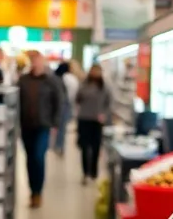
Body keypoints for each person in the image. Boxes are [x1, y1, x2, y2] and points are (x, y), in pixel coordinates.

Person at [17, 51, 64, 208]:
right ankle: (32, 190)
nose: (35, 63)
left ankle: (38, 191)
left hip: (43, 125)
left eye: (37, 60)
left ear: (42, 62)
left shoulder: (52, 81)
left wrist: (55, 123)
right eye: (32, 61)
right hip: (26, 125)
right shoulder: (23, 81)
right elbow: (16, 102)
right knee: (30, 158)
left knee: (38, 156)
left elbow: (59, 102)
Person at [75, 64, 113, 184]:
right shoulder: (84, 84)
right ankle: (86, 173)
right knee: (85, 147)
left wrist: (104, 115)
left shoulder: (104, 86)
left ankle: (94, 172)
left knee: (96, 147)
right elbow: (77, 98)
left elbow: (109, 102)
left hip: (97, 121)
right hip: (84, 119)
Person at [53, 60, 79, 155]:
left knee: (59, 127)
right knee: (62, 127)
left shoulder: (57, 78)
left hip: (60, 104)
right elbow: (73, 94)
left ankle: (57, 145)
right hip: (65, 104)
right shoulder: (70, 78)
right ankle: (59, 145)